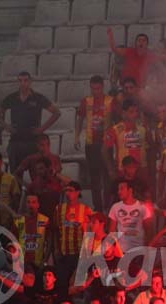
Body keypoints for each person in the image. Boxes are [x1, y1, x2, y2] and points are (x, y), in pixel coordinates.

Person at [0, 71, 61, 173]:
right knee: (15, 174)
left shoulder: (38, 97)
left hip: (33, 141)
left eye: (25, 80)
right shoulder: (12, 97)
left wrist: (42, 129)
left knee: (37, 174)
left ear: (30, 82)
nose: (23, 83)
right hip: (16, 140)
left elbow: (56, 113)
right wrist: (6, 126)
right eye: (20, 81)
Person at [75, 75, 117, 211]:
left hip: (106, 143)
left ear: (102, 87)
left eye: (98, 88)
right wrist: (76, 136)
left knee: (107, 176)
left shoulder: (111, 101)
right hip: (90, 143)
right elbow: (80, 119)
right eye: (93, 88)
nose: (95, 91)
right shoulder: (86, 101)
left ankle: (108, 206)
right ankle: (97, 207)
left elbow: (117, 120)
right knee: (94, 177)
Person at [52, 181, 92, 283]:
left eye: (71, 190)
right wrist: (56, 249)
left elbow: (89, 234)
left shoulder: (86, 210)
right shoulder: (59, 209)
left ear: (78, 192)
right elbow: (56, 230)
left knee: (78, 284)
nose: (68, 193)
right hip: (63, 253)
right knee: (63, 283)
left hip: (79, 253)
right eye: (66, 191)